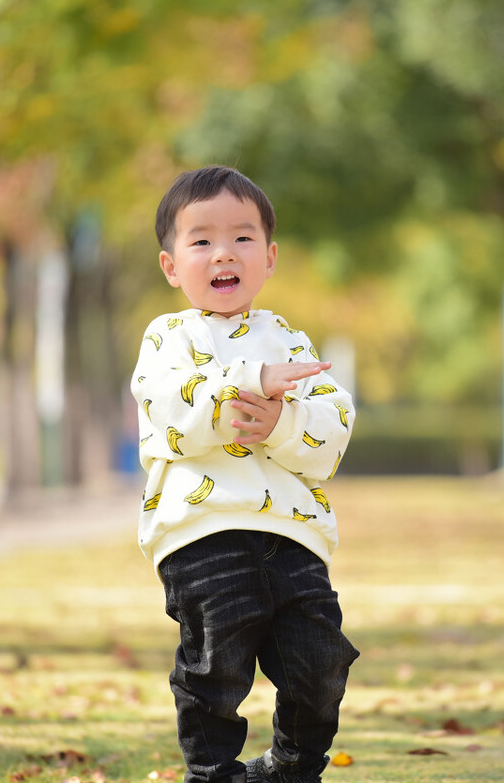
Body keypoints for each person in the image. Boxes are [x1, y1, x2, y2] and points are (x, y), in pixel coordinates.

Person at [130, 165, 359, 783]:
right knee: (215, 671)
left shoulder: (287, 338)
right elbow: (170, 407)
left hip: (293, 536)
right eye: (201, 240)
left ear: (269, 256)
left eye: (242, 237)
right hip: (202, 535)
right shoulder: (168, 337)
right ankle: (213, 773)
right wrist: (247, 385)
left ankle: (290, 766)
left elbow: (332, 427)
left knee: (320, 663)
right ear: (172, 267)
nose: (223, 253)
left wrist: (282, 422)